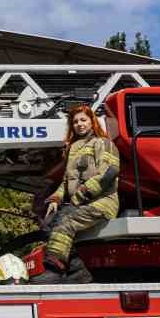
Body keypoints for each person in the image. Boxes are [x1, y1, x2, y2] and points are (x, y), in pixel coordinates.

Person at [35, 105, 119, 284]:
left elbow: (109, 172)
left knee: (65, 223)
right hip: (79, 204)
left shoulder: (103, 143)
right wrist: (56, 199)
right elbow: (67, 182)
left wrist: (81, 195)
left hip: (101, 203)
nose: (79, 124)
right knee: (48, 223)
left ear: (92, 121)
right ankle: (77, 271)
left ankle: (54, 270)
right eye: (75, 122)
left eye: (83, 120)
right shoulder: (74, 148)